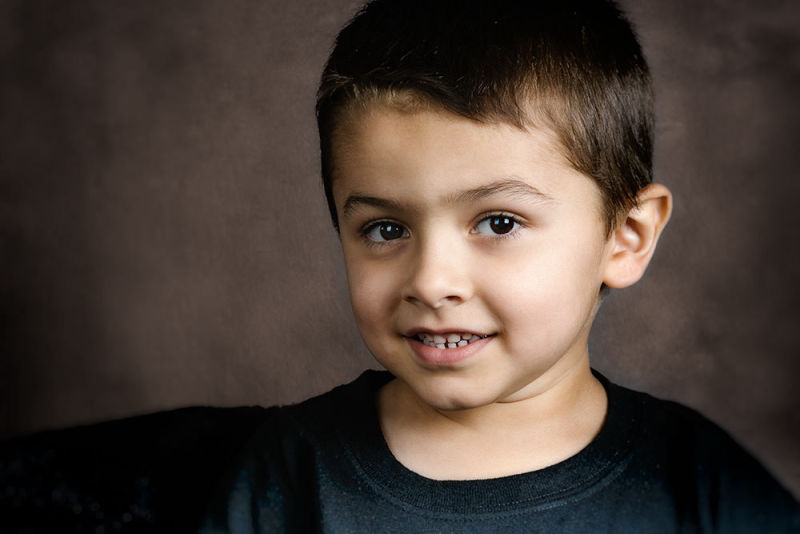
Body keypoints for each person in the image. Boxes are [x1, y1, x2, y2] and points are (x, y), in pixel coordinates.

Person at [196, 0, 799, 532]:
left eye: (499, 223)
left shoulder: (706, 487)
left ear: (626, 237)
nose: (432, 282)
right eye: (387, 229)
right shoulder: (290, 476)